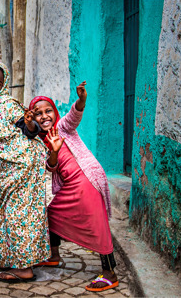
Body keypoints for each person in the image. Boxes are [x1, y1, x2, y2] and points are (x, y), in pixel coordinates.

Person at [29, 81, 119, 292]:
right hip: (71, 185)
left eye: (48, 111)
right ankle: (54, 255)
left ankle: (109, 273)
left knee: (98, 227)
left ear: (54, 112)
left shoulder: (62, 127)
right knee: (51, 214)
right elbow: (51, 167)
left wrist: (81, 99)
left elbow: (74, 115)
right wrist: (53, 149)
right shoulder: (40, 142)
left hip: (87, 179)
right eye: (38, 113)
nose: (44, 116)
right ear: (33, 118)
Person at [0, 61, 50, 283]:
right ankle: (15, 258)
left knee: (19, 215)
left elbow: (30, 130)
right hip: (8, 169)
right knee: (7, 212)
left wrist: (29, 124)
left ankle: (23, 268)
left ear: (5, 85)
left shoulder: (8, 105)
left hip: (24, 167)